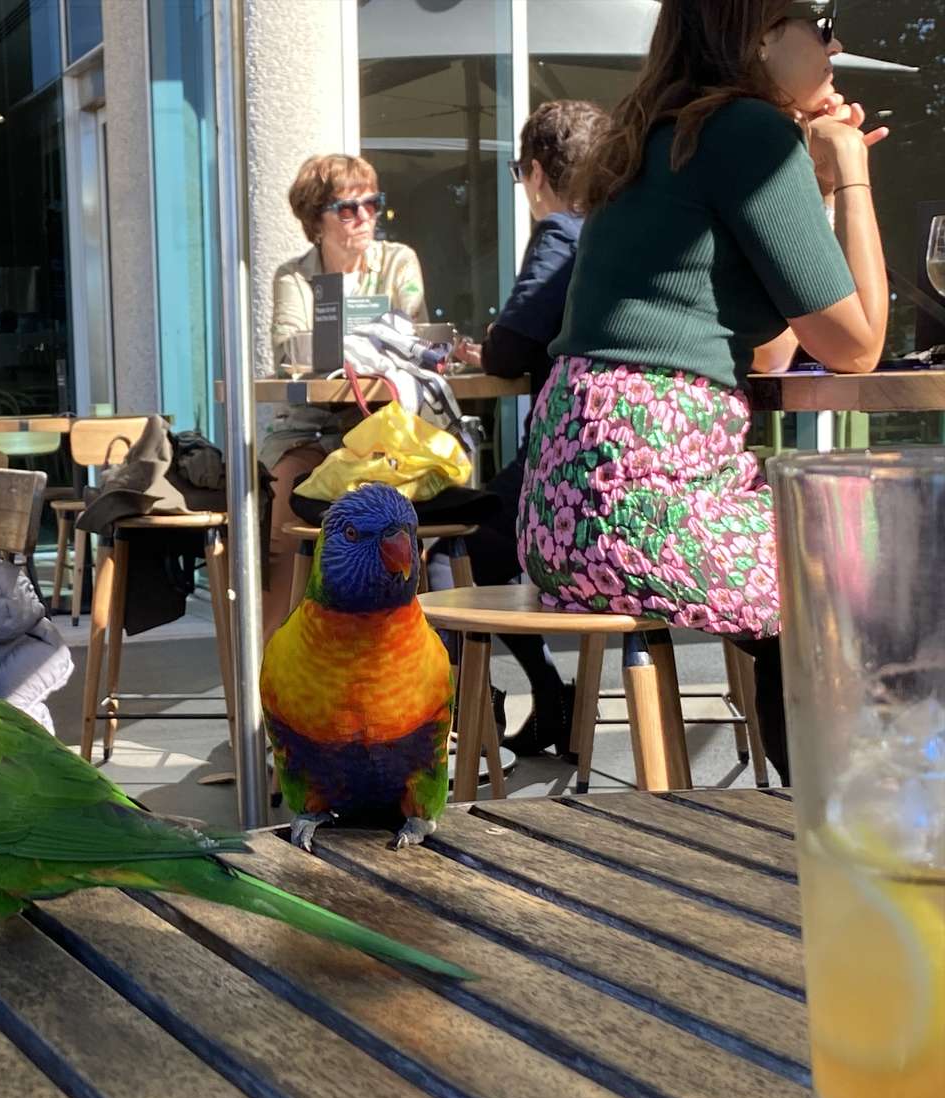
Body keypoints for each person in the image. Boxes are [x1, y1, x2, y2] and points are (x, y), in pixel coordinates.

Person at [518, 0, 889, 781]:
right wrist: (850, 171)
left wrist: (811, 184)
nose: (835, 44)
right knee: (847, 576)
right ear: (758, 33)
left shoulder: (660, 133)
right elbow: (857, 347)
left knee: (828, 566)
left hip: (565, 510)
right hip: (642, 498)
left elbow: (778, 349)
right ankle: (838, 826)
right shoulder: (747, 133)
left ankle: (810, 820)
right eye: (817, 24)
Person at [434, 99, 609, 757]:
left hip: (564, 461)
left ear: (536, 172)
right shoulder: (612, 233)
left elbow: (508, 351)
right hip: (615, 463)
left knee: (468, 540)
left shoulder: (561, 233)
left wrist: (502, 342)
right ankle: (543, 690)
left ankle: (511, 689)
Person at [262, 153, 429, 641]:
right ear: (317, 220)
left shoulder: (399, 260)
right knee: (286, 515)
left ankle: (402, 657)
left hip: (384, 428)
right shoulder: (294, 275)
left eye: (371, 206)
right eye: (347, 209)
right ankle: (275, 661)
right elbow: (286, 346)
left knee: (401, 519)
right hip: (310, 425)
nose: (364, 219)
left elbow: (412, 321)